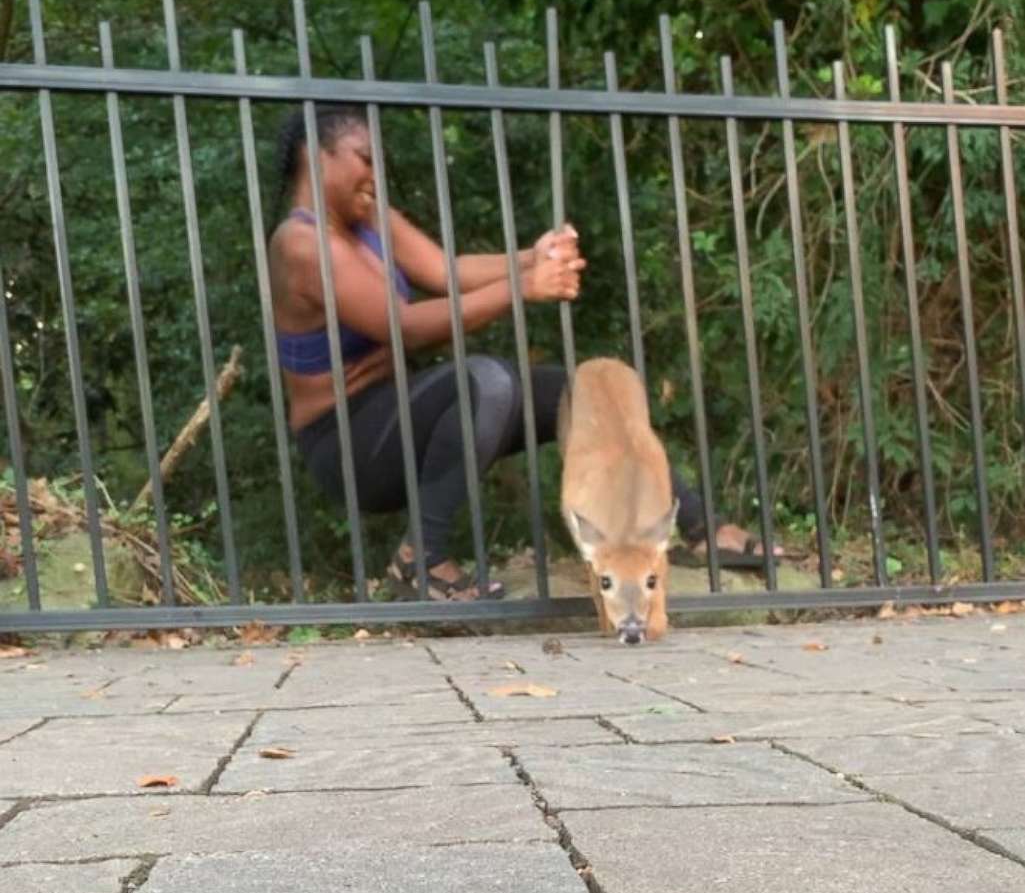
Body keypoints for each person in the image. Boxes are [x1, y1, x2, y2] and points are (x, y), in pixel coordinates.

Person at [268, 104, 778, 601]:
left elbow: (446, 271)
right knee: (487, 383)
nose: (376, 174)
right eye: (365, 158)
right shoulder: (300, 243)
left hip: (402, 409)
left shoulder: (371, 219)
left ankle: (701, 528)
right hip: (350, 445)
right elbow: (401, 328)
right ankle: (417, 560)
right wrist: (525, 284)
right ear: (318, 155)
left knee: (581, 390)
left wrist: (533, 256)